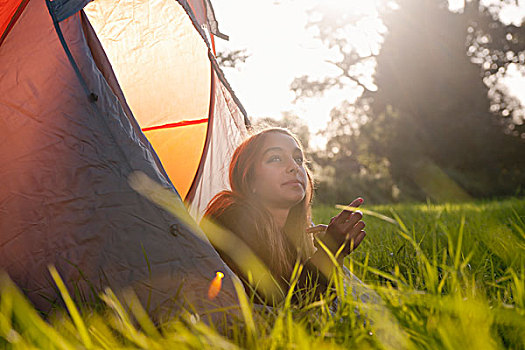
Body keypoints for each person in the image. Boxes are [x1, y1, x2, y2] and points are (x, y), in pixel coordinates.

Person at [201, 127, 366, 305]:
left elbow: (319, 303)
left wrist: (329, 252)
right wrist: (329, 253)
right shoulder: (232, 218)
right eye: (276, 158)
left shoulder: (292, 234)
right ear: (249, 179)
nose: (294, 167)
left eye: (298, 159)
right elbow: (284, 306)